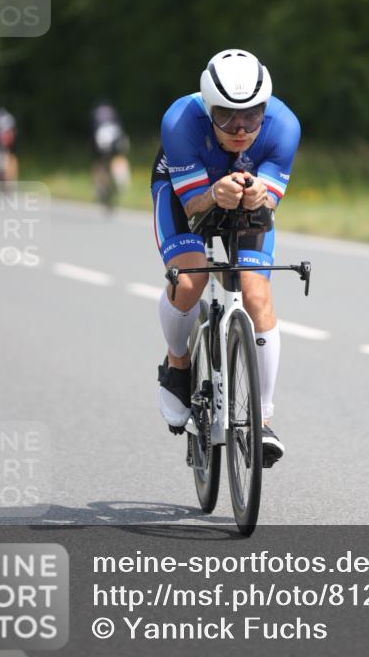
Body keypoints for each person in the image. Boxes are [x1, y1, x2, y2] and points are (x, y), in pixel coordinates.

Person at [151, 49, 300, 466]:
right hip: (186, 194)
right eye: (225, 115)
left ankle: (263, 420)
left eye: (252, 116)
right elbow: (195, 207)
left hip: (241, 202)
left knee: (256, 293)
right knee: (189, 279)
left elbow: (267, 204)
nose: (239, 127)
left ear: (265, 109)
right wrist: (214, 193)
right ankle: (177, 364)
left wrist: (260, 196)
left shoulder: (285, 126)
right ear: (206, 105)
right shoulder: (180, 121)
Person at [91, 101, 131, 203]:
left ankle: (100, 187)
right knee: (120, 157)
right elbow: (120, 127)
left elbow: (92, 130)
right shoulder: (113, 111)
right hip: (116, 136)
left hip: (101, 138)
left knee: (100, 162)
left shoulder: (95, 113)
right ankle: (121, 179)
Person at [0, 107, 18, 184]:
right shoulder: (10, 119)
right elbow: (14, 133)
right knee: (5, 164)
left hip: (1, 146)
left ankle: (5, 181)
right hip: (8, 146)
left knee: (0, 164)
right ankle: (7, 181)